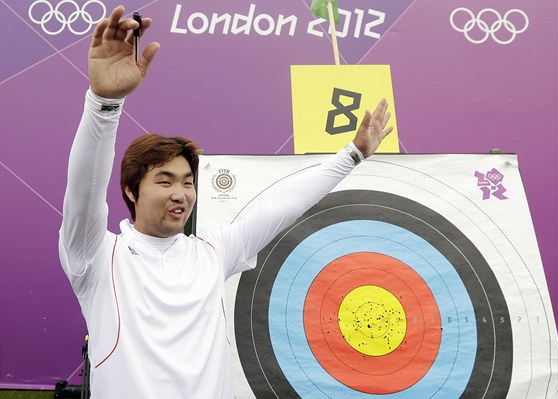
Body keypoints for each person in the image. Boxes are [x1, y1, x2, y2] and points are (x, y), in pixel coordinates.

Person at [58, 5, 393, 399]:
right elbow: (85, 192)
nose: (180, 193)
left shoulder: (214, 252)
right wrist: (104, 105)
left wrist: (351, 155)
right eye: (164, 181)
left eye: (187, 182)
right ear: (131, 191)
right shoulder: (96, 255)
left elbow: (282, 206)